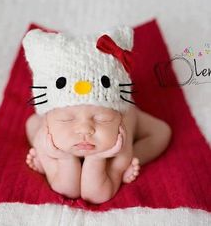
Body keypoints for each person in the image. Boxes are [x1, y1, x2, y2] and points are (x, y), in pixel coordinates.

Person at [23, 26, 172, 204]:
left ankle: (128, 162)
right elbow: (68, 190)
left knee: (162, 132)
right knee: (31, 123)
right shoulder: (46, 137)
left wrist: (98, 158)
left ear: (118, 117)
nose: (85, 129)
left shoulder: (119, 141)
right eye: (67, 118)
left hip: (114, 142)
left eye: (102, 119)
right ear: (48, 118)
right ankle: (49, 166)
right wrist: (64, 159)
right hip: (55, 142)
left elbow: (94, 195)